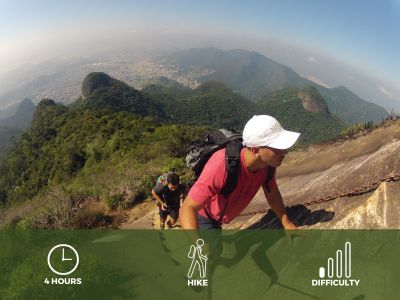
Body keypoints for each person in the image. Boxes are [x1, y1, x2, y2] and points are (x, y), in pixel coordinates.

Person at [180, 115, 300, 229]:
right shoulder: (221, 166)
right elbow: (187, 208)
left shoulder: (267, 165)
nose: (285, 152)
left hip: (219, 217)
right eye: (277, 148)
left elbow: (272, 193)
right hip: (203, 216)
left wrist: (287, 223)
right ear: (255, 150)